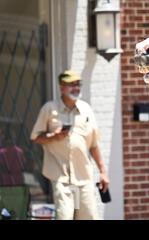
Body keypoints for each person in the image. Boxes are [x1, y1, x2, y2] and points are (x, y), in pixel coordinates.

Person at [30, 70, 109, 220]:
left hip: (83, 178)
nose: (76, 88)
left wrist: (103, 172)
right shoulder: (49, 109)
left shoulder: (86, 110)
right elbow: (35, 138)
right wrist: (54, 136)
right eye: (71, 84)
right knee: (65, 216)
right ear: (61, 87)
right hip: (61, 178)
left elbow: (93, 145)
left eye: (77, 84)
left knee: (88, 217)